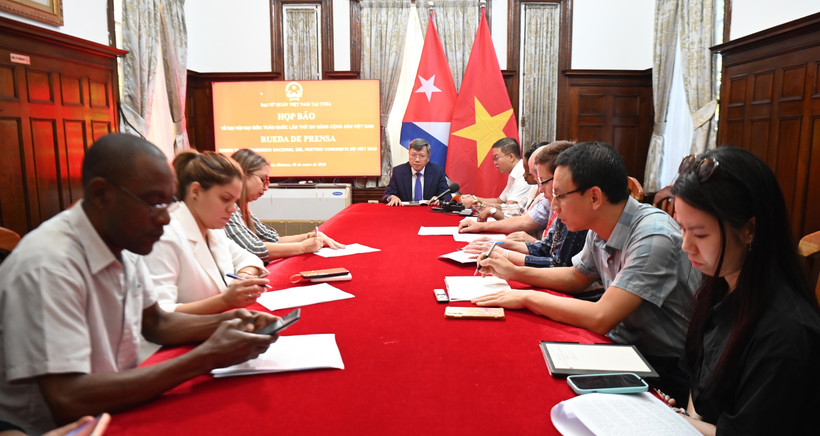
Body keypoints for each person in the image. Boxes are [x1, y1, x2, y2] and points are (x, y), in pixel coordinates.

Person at [0, 133, 279, 434]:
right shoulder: (49, 265)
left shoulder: (122, 239)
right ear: (101, 194)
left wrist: (232, 323)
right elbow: (68, 398)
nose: (164, 218)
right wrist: (206, 357)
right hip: (53, 426)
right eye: (153, 203)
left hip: (118, 400)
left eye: (167, 202)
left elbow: (155, 322)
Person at [473, 141, 700, 404]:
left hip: (666, 369)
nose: (553, 206)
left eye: (559, 195)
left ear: (594, 197)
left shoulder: (653, 236)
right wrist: (513, 273)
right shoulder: (599, 225)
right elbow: (576, 277)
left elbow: (601, 317)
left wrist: (526, 298)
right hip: (623, 346)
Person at [669, 147, 820, 434]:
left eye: (699, 234)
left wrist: (675, 422)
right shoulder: (719, 285)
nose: (685, 245)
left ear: (750, 229)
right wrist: (686, 420)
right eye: (682, 229)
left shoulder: (787, 332)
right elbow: (696, 381)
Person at [142, 150, 271, 314]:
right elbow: (159, 312)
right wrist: (225, 301)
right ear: (195, 191)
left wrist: (245, 276)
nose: (232, 209)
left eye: (235, 201)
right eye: (225, 199)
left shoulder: (211, 228)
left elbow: (248, 257)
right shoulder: (165, 236)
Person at [464, 140, 586, 269]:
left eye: (542, 180)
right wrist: (498, 244)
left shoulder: (576, 210)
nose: (540, 189)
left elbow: (561, 266)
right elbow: (546, 248)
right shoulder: (560, 201)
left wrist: (509, 262)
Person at [225, 149, 345, 263]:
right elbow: (254, 249)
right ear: (242, 175)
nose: (266, 187)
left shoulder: (244, 209)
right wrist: (302, 247)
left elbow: (273, 239)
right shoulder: (226, 209)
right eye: (263, 180)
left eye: (268, 181)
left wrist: (310, 236)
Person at [475, 144, 544, 222]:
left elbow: (525, 223)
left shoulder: (545, 195)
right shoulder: (535, 188)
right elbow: (518, 209)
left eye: (528, 172)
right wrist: (488, 206)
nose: (524, 174)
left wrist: (492, 211)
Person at [460, 137, 531, 209]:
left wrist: (477, 202)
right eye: (493, 159)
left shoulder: (523, 173)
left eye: (496, 158)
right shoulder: (514, 173)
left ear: (511, 157)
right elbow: (499, 201)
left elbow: (509, 207)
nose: (495, 163)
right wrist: (473, 198)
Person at [381, 138, 451, 206]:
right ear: (409, 154)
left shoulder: (437, 171)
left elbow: (447, 195)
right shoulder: (398, 171)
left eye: (422, 156)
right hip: (406, 212)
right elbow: (387, 194)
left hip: (428, 212)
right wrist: (392, 197)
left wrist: (439, 199)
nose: (417, 160)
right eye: (413, 155)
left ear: (428, 157)